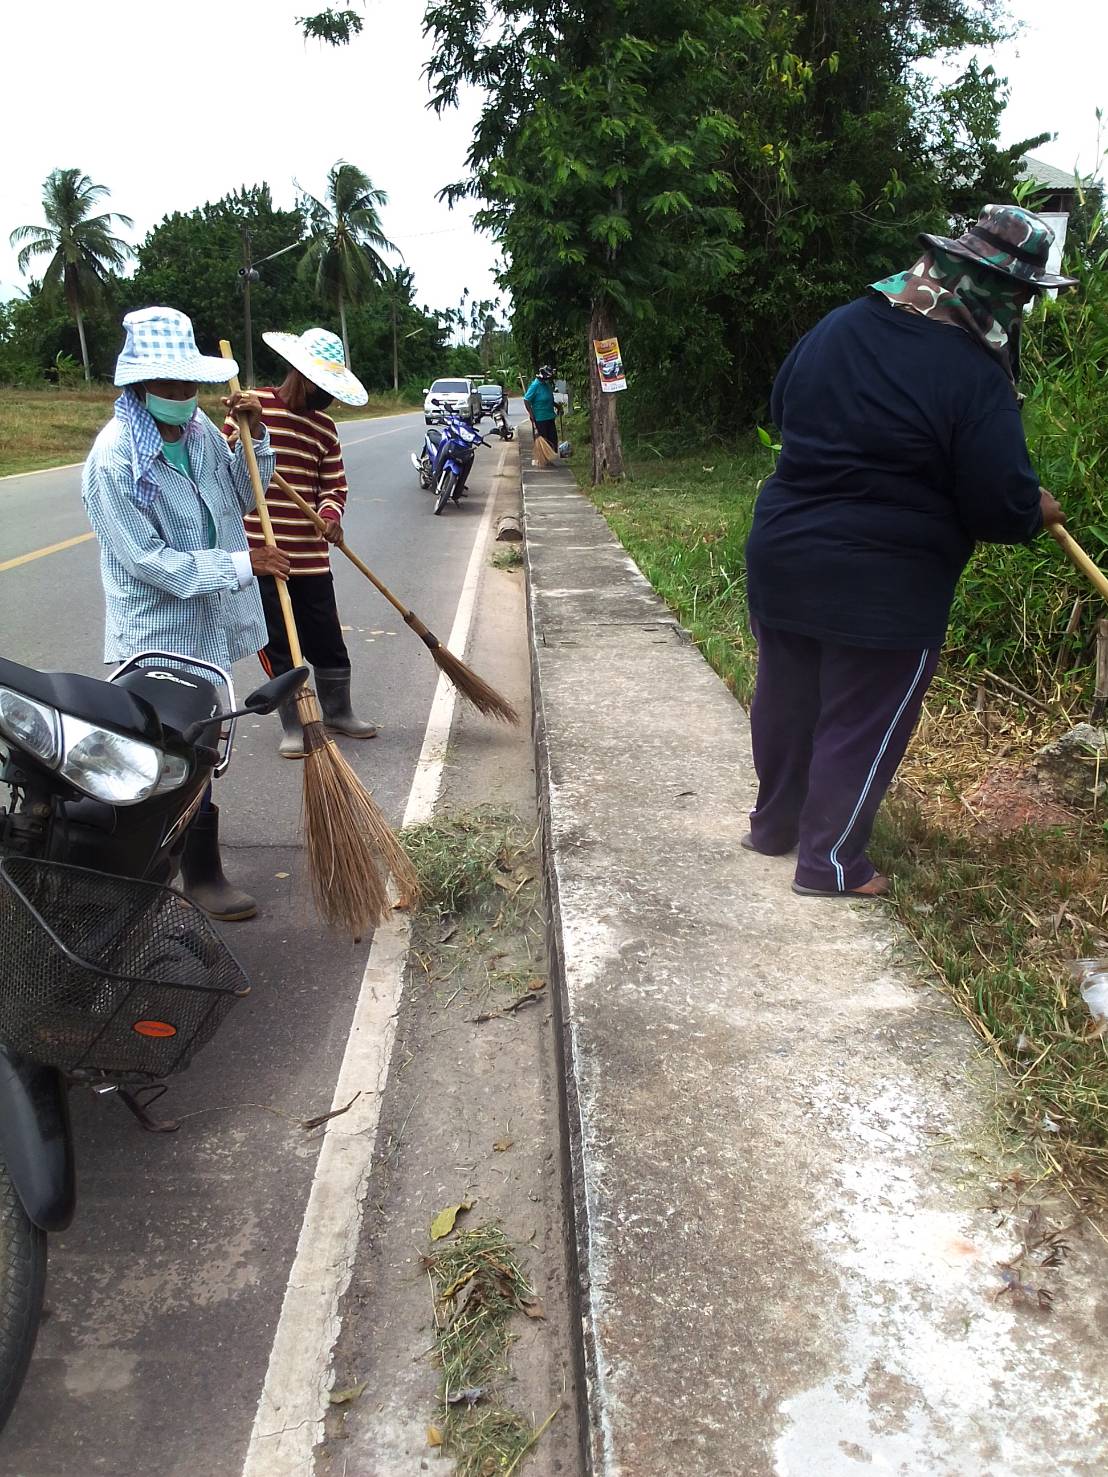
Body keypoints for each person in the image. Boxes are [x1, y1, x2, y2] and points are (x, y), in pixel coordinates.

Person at [743, 204, 1075, 898]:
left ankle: (774, 827)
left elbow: (781, 407)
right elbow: (995, 500)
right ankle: (831, 863)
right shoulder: (973, 372)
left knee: (788, 696)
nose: (1019, 310)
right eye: (1020, 295)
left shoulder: (841, 323)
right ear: (996, 289)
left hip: (784, 550)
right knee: (863, 716)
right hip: (887, 583)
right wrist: (1031, 508)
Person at [82, 306, 290, 921]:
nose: (181, 396)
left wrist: (254, 437)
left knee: (205, 745)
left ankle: (199, 867)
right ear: (139, 386)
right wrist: (240, 565)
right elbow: (148, 561)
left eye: (188, 384)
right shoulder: (114, 460)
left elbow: (248, 493)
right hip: (155, 631)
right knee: (166, 750)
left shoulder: (198, 432)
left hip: (208, 625)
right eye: (168, 386)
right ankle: (166, 869)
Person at [225, 327, 377, 758]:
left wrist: (330, 517)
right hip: (264, 556)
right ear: (299, 373)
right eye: (322, 387)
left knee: (326, 637)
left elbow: (334, 486)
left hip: (311, 558)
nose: (327, 398)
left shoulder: (325, 428)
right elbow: (229, 467)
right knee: (278, 642)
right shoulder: (251, 406)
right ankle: (293, 724)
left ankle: (338, 712)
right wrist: (248, 427)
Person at [523, 364, 559, 457]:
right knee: (544, 439)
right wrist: (531, 414)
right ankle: (543, 458)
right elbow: (526, 400)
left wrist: (557, 406)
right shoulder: (535, 385)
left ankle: (550, 457)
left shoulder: (546, 385)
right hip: (540, 418)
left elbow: (549, 398)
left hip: (550, 416)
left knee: (553, 439)